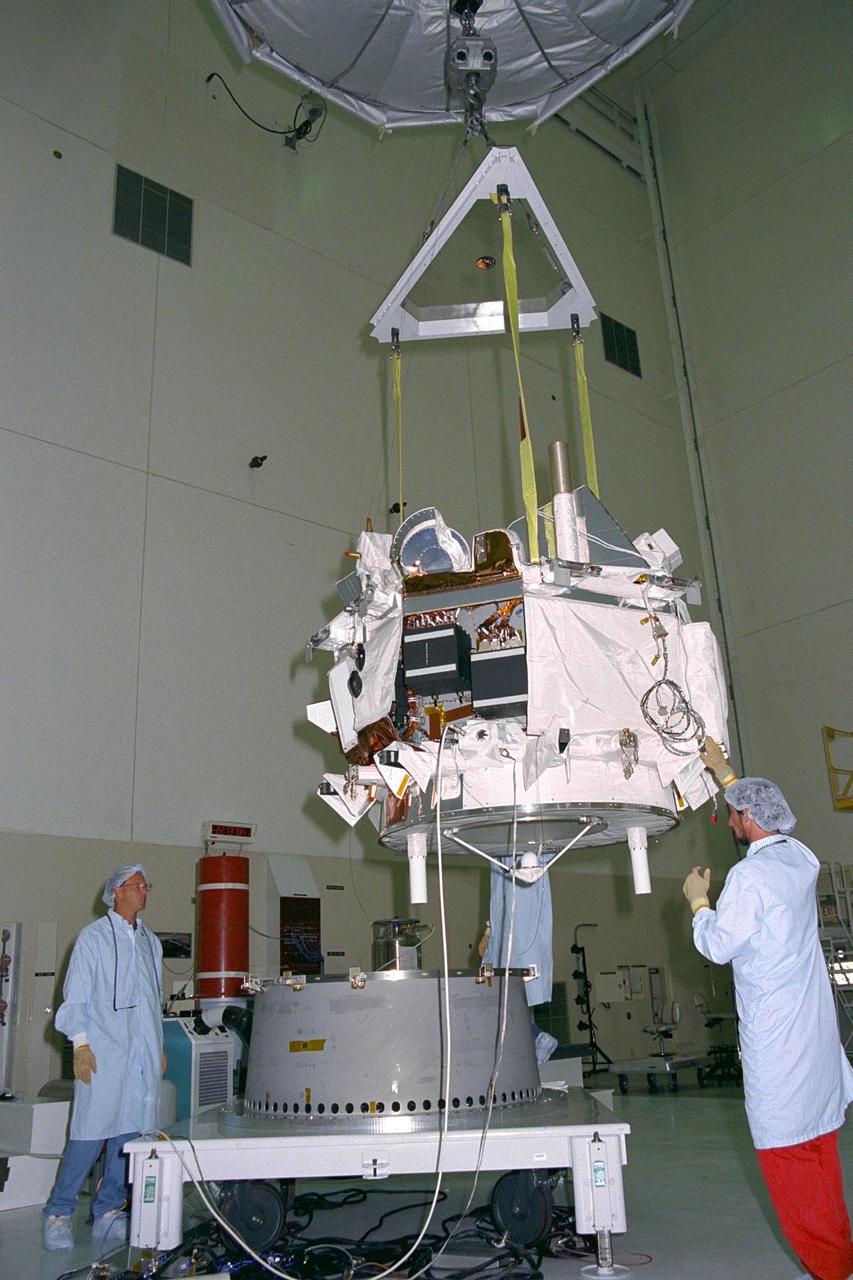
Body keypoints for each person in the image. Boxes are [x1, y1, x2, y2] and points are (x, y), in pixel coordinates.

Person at [683, 740, 853, 1280]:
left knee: (789, 1161)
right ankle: (836, 1261)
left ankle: (831, 1270)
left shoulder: (750, 879)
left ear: (750, 817)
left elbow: (717, 944)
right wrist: (724, 773)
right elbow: (760, 810)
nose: (729, 822)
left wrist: (697, 902)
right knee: (820, 1153)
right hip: (813, 1040)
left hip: (779, 1046)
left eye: (734, 815)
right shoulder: (800, 860)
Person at [43, 865, 164, 1252]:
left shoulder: (150, 942)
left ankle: (109, 1210)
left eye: (147, 886)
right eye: (138, 886)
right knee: (88, 1133)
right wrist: (80, 1043)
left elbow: (151, 1000)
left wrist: (155, 1046)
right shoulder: (92, 939)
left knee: (129, 1132)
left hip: (138, 1054)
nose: (145, 892)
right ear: (116, 892)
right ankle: (59, 1212)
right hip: (101, 1051)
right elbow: (75, 994)